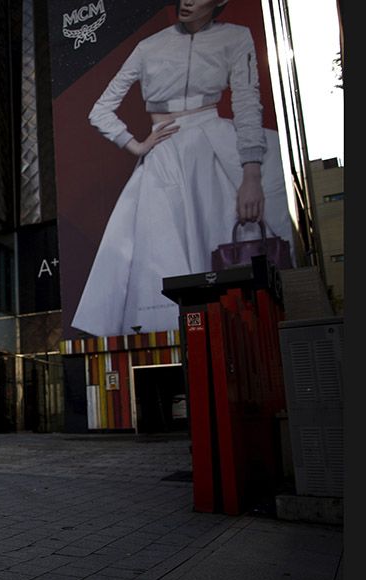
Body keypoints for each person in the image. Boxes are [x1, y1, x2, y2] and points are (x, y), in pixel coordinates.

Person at [71, 0, 294, 337]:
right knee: (159, 259)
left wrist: (251, 174)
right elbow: (100, 110)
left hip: (216, 152)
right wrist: (136, 145)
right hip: (165, 157)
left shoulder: (236, 37)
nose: (187, 0)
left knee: (223, 259)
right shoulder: (148, 46)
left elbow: (247, 100)